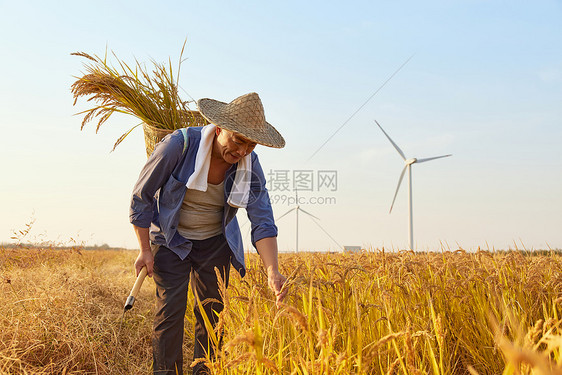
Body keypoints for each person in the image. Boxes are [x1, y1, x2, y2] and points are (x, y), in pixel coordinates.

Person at [129, 92, 287, 375]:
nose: (242, 151)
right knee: (169, 316)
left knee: (212, 318)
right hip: (171, 240)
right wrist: (144, 249)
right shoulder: (178, 146)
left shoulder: (250, 166)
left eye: (250, 144)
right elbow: (142, 197)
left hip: (215, 244)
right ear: (218, 129)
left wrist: (272, 270)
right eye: (238, 140)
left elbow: (262, 218)